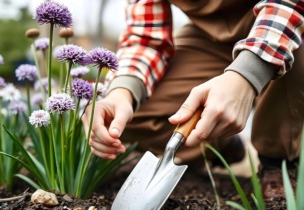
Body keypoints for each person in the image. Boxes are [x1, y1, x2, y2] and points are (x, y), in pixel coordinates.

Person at [81, 0, 304, 200]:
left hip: (284, 22)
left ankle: (278, 164)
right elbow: (145, 37)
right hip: (212, 38)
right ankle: (220, 141)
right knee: (133, 116)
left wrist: (247, 75)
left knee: (295, 39)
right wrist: (121, 92)